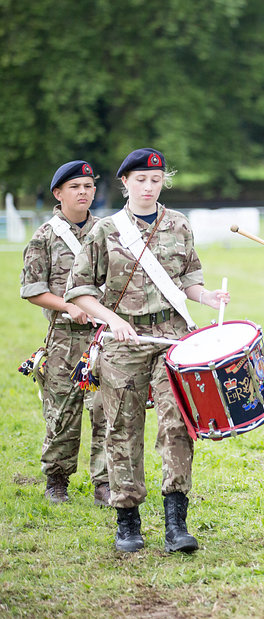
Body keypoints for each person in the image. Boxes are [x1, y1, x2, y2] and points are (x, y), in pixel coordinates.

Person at [65, 148, 229, 553]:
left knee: (178, 424)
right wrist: (112, 320)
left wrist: (207, 296)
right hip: (124, 341)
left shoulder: (179, 224)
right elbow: (79, 290)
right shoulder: (106, 230)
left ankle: (176, 522)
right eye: (140, 180)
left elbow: (188, 281)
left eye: (156, 180)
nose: (148, 187)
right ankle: (127, 521)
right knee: (122, 427)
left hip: (172, 338)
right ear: (125, 182)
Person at [20, 160, 109, 506]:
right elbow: (32, 290)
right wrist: (69, 306)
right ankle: (56, 480)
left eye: (88, 186)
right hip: (63, 337)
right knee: (61, 412)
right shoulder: (44, 236)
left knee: (106, 410)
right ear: (58, 193)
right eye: (75, 187)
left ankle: (105, 482)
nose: (83, 192)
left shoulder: (109, 231)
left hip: (103, 337)